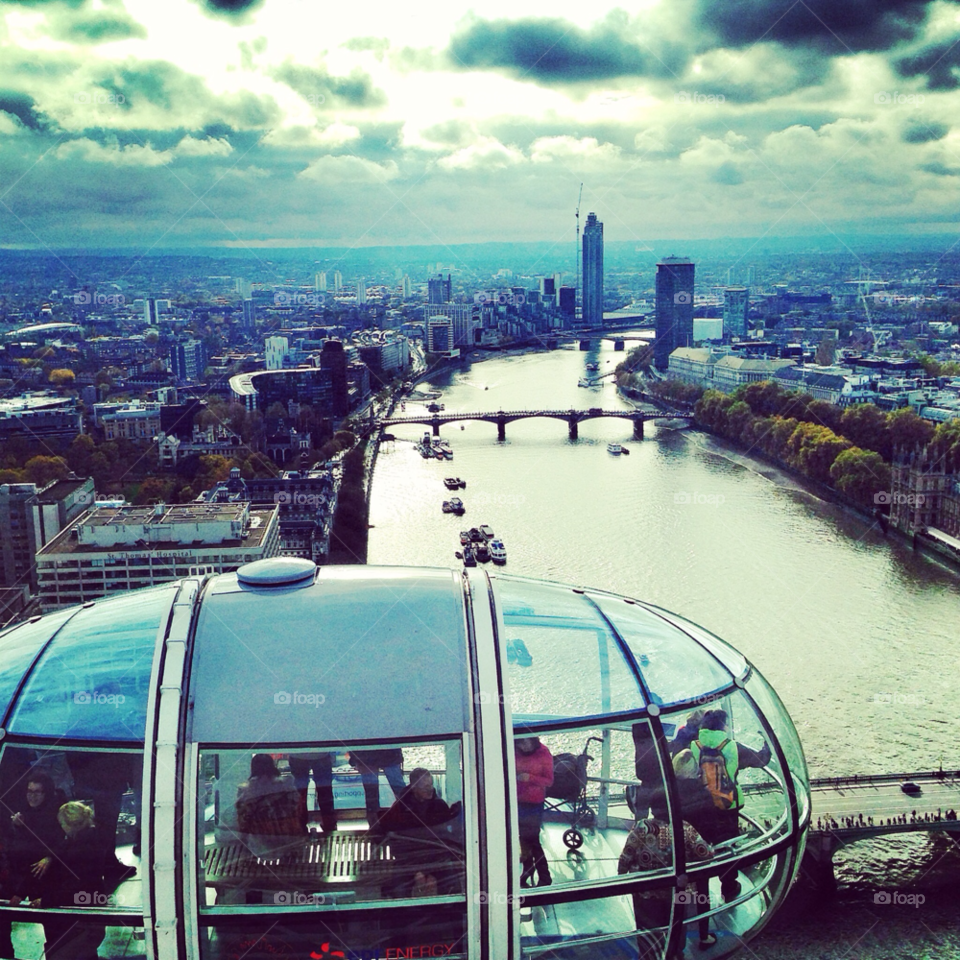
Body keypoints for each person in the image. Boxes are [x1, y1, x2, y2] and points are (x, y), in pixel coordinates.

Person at [689, 709, 771, 902]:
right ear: (723, 725)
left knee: (699, 845)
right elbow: (762, 759)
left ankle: (700, 891)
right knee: (727, 847)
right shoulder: (732, 746)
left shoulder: (693, 745)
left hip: (700, 806)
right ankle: (729, 888)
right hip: (727, 805)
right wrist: (767, 742)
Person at [0, 774, 63, 958]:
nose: (32, 796)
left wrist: (50, 857)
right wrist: (18, 827)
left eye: (37, 792)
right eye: (29, 791)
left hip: (46, 878)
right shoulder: (21, 814)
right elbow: (16, 847)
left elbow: (62, 842)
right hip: (24, 876)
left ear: (47, 793)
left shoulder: (55, 814)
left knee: (54, 927)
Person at [42, 802, 106, 960]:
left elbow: (77, 887)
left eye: (62, 824)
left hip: (83, 918)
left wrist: (46, 900)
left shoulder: (80, 849)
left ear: (70, 824)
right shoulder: (87, 839)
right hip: (92, 910)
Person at [235, 754, 304, 858]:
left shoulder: (246, 791)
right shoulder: (286, 785)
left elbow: (242, 822)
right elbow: (299, 810)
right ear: (272, 765)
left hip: (259, 847)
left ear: (253, 768)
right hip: (289, 843)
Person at [515, 736, 553, 887]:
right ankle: (528, 870)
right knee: (523, 839)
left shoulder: (543, 753)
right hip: (516, 801)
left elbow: (549, 781)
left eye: (525, 742)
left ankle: (544, 877)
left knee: (533, 840)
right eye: (520, 742)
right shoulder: (513, 749)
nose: (522, 746)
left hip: (533, 803)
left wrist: (529, 777)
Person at [350, 749, 405, 828]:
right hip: (388, 752)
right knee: (399, 790)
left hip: (366, 754)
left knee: (371, 795)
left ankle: (374, 828)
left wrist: (355, 758)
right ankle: (407, 819)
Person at [286, 752, 338, 835]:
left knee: (300, 793)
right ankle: (329, 825)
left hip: (297, 753)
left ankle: (301, 825)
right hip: (321, 752)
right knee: (325, 792)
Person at [631, 723, 668, 820]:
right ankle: (661, 827)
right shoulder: (656, 735)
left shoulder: (639, 736)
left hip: (644, 774)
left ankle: (639, 828)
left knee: (642, 808)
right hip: (657, 775)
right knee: (661, 808)